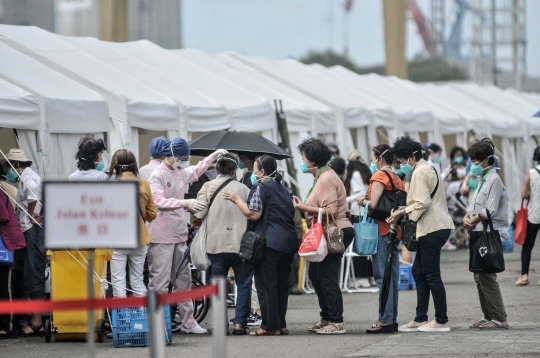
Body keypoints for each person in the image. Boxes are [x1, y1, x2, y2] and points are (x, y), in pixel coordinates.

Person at [147, 138, 227, 335]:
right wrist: (184, 203)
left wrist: (212, 157)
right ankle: (157, 323)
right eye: (181, 158)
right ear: (170, 155)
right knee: (160, 280)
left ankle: (188, 322)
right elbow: (157, 201)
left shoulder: (179, 172)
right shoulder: (157, 175)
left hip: (179, 233)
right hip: (161, 235)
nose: (183, 161)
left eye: (185, 158)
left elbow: (196, 170)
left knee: (184, 280)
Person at [224, 155, 298, 336]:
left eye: (255, 169)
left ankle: (269, 327)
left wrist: (237, 199)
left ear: (262, 172)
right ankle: (280, 324)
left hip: (269, 243)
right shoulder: (283, 188)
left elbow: (253, 214)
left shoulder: (261, 187)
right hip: (288, 242)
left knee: (266, 285)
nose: (252, 172)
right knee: (281, 285)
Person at [387, 136, 454, 333]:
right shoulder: (429, 168)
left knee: (431, 274)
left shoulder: (419, 172)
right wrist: (405, 209)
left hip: (432, 227)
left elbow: (422, 203)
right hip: (436, 225)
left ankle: (441, 320)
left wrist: (402, 212)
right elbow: (423, 202)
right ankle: (420, 317)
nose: (400, 165)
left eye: (401, 160)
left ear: (410, 157)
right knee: (419, 272)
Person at [293, 138, 354, 335]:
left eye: (303, 157)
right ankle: (327, 317)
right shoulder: (322, 176)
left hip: (334, 230)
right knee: (317, 276)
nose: (302, 161)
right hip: (328, 230)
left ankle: (337, 322)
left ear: (312, 160)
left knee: (327, 277)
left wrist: (303, 207)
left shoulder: (326, 178)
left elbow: (330, 210)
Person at [194, 153, 252, 335]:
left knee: (218, 284)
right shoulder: (244, 189)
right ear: (235, 171)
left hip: (216, 244)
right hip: (241, 244)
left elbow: (199, 213)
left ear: (216, 169)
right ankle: (240, 325)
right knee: (243, 283)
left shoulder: (207, 187)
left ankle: (220, 325)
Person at [358, 144, 405, 334]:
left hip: (382, 229)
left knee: (381, 276)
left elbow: (373, 205)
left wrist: (363, 201)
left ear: (379, 158)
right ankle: (391, 318)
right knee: (392, 277)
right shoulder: (397, 178)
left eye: (372, 157)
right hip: (395, 230)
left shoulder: (379, 177)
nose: (371, 161)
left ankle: (384, 320)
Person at [464, 138, 510, 329]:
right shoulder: (482, 179)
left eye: (476, 161)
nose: (473, 165)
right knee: (479, 275)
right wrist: (467, 216)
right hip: (478, 233)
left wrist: (472, 219)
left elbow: (489, 210)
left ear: (486, 160)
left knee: (487, 276)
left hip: (489, 234)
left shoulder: (494, 180)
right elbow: (475, 205)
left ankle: (500, 317)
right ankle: (488, 315)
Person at [3, 149, 45, 336]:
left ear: (16, 165)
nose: (7, 170)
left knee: (33, 275)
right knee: (30, 274)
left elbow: (33, 193)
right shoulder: (28, 176)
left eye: (8, 166)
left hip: (32, 230)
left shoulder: (28, 177)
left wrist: (31, 211)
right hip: (31, 229)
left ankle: (37, 322)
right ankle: (36, 319)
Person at [107, 149, 157, 298]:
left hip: (117, 239)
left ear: (114, 164)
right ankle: (141, 318)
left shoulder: (109, 185)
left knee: (118, 281)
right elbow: (152, 214)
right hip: (139, 239)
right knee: (137, 280)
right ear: (133, 164)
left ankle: (121, 320)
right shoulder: (143, 183)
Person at [345, 150, 375, 288]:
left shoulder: (355, 175)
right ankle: (370, 276)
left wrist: (344, 199)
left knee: (359, 246)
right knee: (367, 245)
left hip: (358, 212)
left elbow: (359, 194)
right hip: (366, 212)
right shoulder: (366, 173)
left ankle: (361, 277)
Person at [0, 185, 26, 339]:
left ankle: (9, 327)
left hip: (8, 245)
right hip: (4, 243)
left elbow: (3, 217)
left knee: (5, 287)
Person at [516, 147, 540, 286]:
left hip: (534, 214)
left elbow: (524, 195)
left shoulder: (531, 173)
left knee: (527, 246)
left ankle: (524, 276)